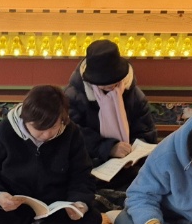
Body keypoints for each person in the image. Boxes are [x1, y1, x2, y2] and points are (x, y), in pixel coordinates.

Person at [0, 85, 102, 224]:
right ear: (25, 119)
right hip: (13, 207)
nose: (47, 134)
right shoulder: (3, 131)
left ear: (63, 119)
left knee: (94, 219)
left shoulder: (72, 133)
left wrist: (79, 203)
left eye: (53, 126)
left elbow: (82, 175)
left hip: (55, 208)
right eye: (39, 128)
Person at [64, 39, 158, 187]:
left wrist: (131, 155)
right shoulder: (73, 96)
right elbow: (71, 134)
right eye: (103, 82)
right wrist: (108, 148)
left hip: (129, 170)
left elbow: (146, 134)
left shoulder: (134, 96)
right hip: (88, 169)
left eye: (114, 81)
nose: (110, 86)